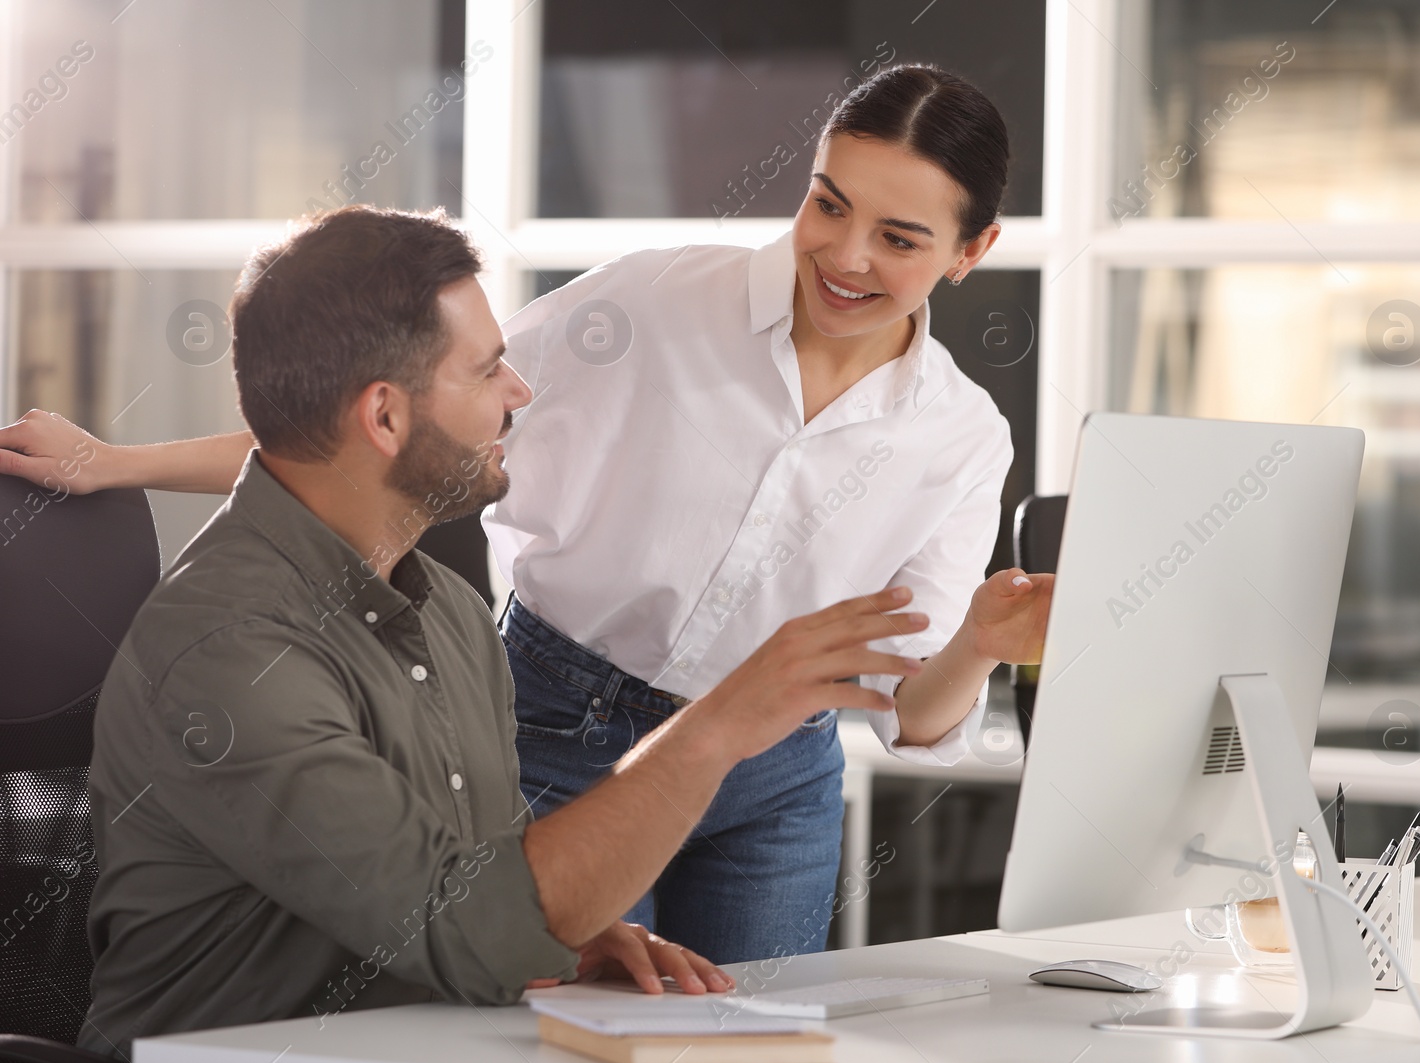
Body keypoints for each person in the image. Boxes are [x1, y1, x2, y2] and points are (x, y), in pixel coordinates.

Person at [0, 65, 1054, 965]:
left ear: (972, 248)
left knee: (747, 1038)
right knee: (539, 1015)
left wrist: (977, 642)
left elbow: (915, 716)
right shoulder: (650, 306)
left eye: (900, 236)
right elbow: (386, 421)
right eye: (828, 204)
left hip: (774, 778)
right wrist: (112, 461)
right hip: (559, 720)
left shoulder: (960, 435)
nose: (846, 255)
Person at [39, 207, 931, 1059]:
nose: (521, 391)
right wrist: (721, 725)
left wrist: (568, 939)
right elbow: (465, 931)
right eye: (486, 370)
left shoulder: (452, 612)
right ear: (385, 416)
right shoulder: (231, 652)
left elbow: (481, 890)